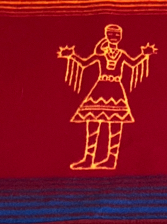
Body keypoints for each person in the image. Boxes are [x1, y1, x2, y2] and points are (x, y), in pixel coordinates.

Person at [58, 24, 157, 170]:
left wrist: (145, 54)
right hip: (100, 88)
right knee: (93, 120)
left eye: (117, 35)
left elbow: (133, 63)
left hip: (116, 89)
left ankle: (111, 159)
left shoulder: (121, 54)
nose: (114, 37)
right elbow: (85, 63)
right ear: (106, 35)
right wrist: (71, 55)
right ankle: (89, 158)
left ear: (120, 37)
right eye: (111, 34)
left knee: (115, 121)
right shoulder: (101, 54)